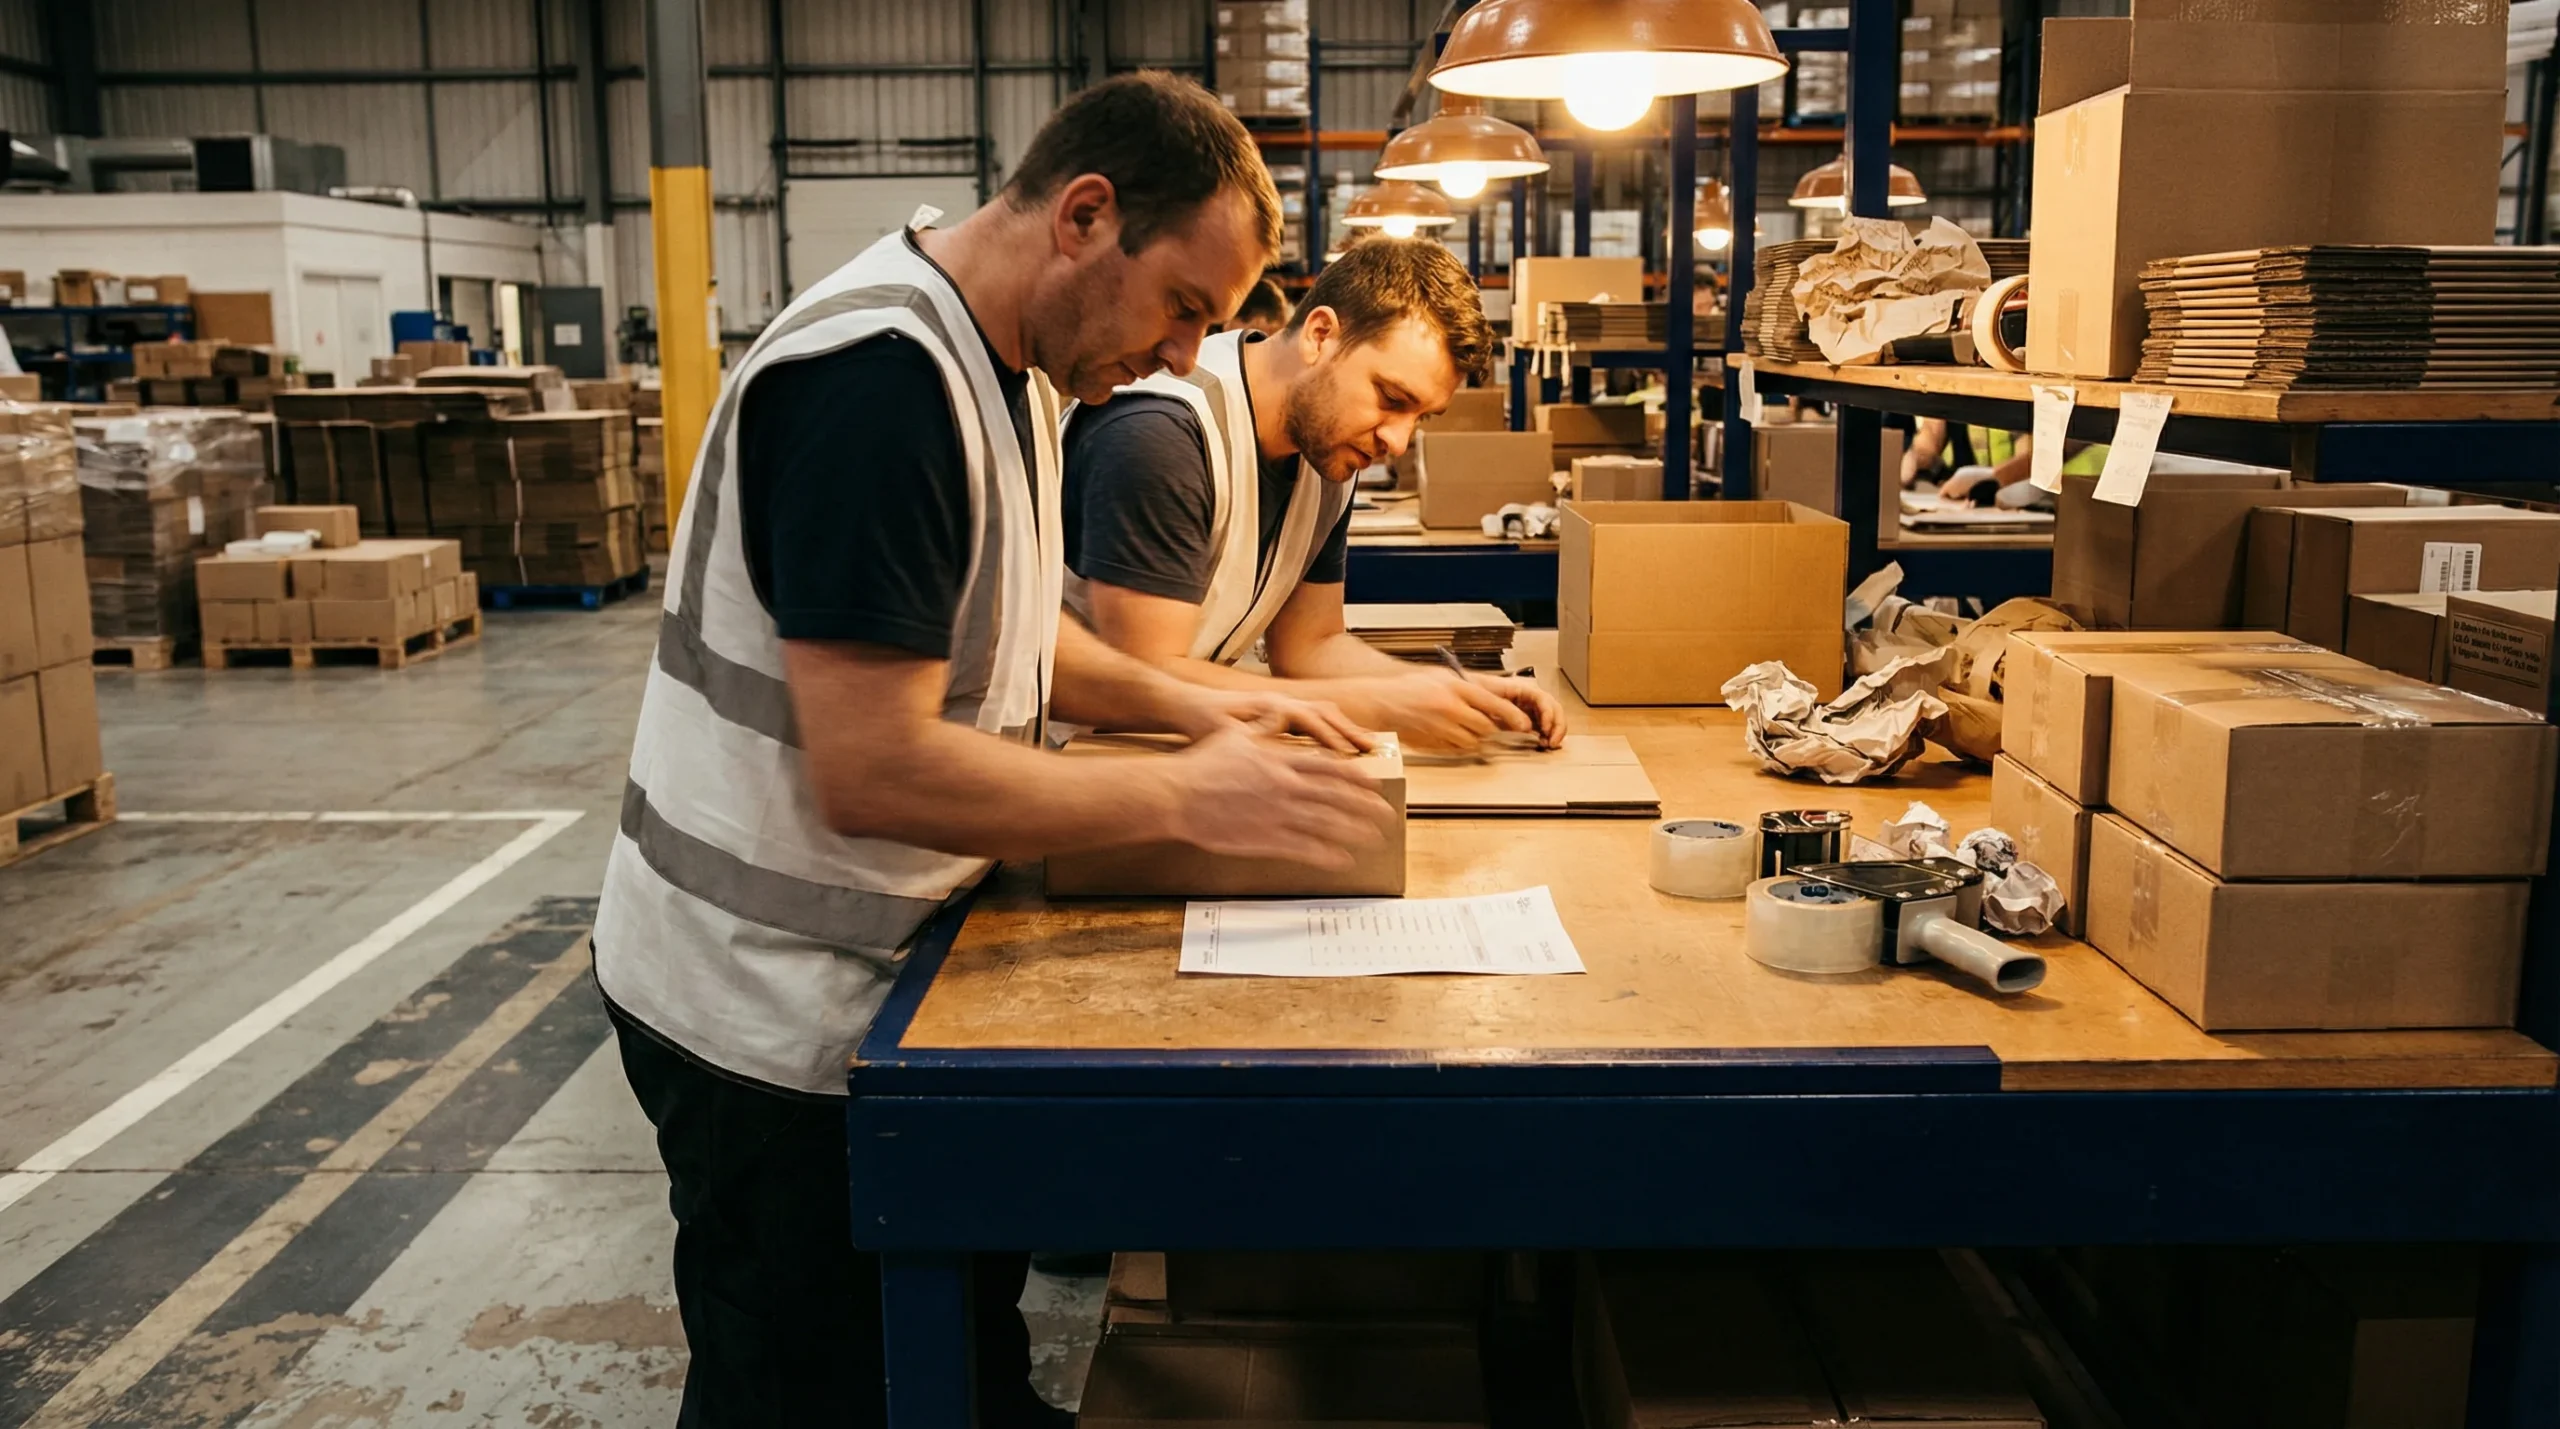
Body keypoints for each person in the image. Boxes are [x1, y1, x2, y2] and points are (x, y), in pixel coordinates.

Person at [593, 73, 1392, 1429]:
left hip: (870, 975)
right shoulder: (877, 385)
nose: (1191, 357)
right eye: (1186, 309)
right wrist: (1190, 789)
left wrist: (1205, 705)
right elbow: (875, 764)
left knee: (948, 1359)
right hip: (760, 1011)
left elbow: (1004, 632)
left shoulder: (1007, 363)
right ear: (1086, 216)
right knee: (805, 1383)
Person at [1063, 237, 1565, 751]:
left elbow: (1311, 646)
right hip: (1069, 763)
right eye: (1391, 399)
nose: (1397, 441)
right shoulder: (1161, 434)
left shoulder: (1327, 454)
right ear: (1320, 335)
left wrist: (1452, 693)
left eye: (1421, 417)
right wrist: (1374, 705)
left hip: (1173, 753)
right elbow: (1151, 679)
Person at [1902, 416, 2104, 500]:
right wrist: (1915, 457)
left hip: (2083, 493)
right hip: (2014, 502)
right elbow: (1931, 431)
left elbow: (2045, 453)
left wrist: (1996, 477)